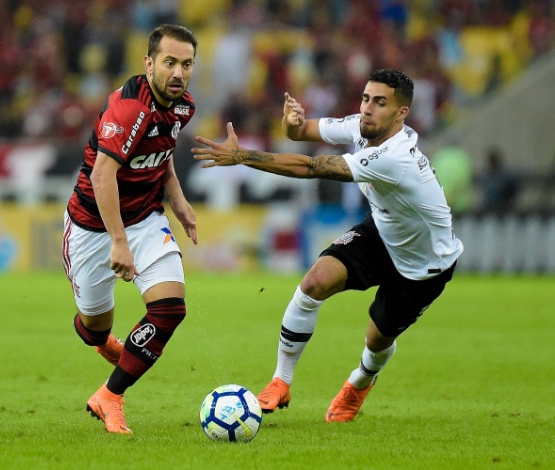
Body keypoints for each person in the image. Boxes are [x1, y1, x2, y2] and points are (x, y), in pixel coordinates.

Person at [192, 69, 463, 423]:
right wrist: (292, 122)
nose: (368, 108)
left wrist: (244, 156)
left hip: (425, 265)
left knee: (377, 338)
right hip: (382, 232)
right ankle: (280, 381)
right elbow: (301, 133)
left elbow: (312, 167)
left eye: (380, 103)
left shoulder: (397, 157)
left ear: (401, 113)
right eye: (366, 98)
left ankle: (360, 382)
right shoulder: (360, 127)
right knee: (314, 282)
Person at [62, 24, 198, 434]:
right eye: (170, 62)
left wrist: (176, 196)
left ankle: (109, 395)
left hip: (144, 218)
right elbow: (104, 175)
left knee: (170, 309)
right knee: (94, 328)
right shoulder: (129, 109)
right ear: (149, 62)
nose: (178, 73)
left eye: (187, 64)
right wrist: (118, 243)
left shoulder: (182, 105)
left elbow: (161, 151)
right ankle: (101, 339)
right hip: (92, 225)